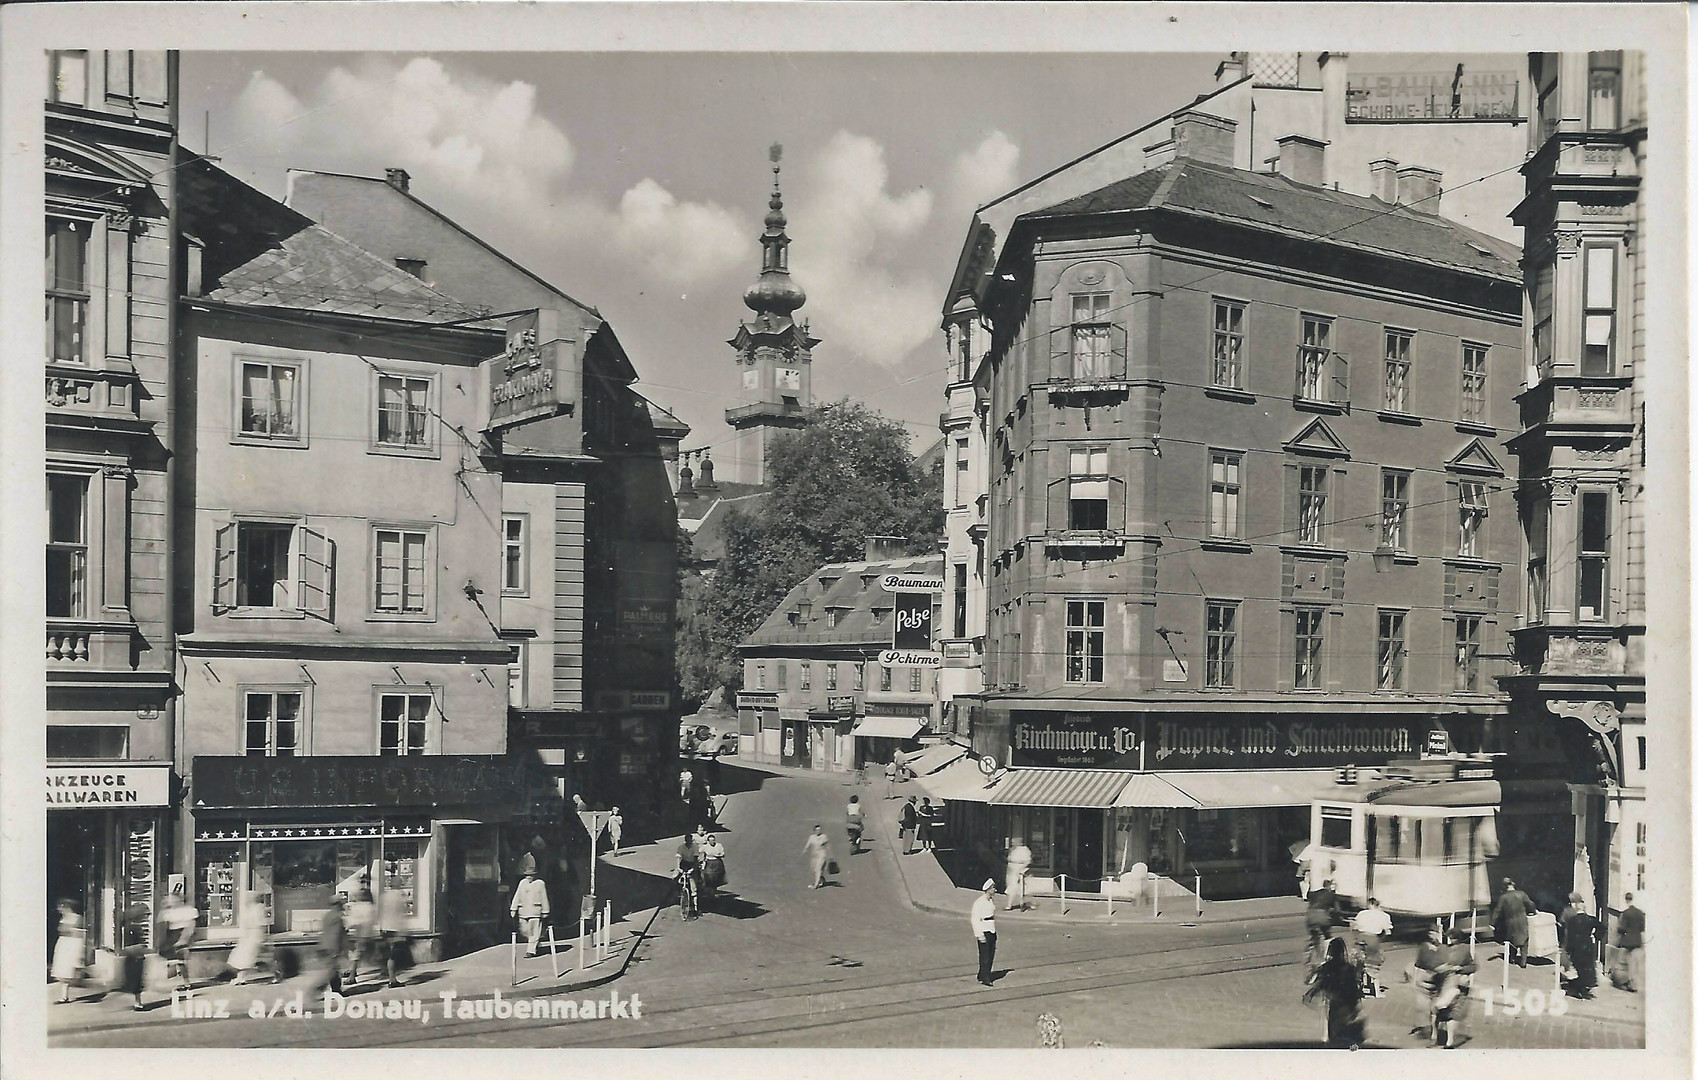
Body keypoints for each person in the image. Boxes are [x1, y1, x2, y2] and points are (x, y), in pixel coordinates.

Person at [1304, 934, 1367, 1048]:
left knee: (1333, 1031)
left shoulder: (1326, 967)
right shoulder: (1350, 968)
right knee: (1344, 1031)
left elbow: (1318, 983)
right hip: (1347, 1004)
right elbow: (1354, 988)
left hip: (1333, 1003)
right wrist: (1357, 1005)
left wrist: (1312, 993)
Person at [1432, 928, 1478, 1048]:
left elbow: (1473, 966)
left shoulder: (1464, 950)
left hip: (1456, 986)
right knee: (1437, 1012)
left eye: (1453, 938)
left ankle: (1449, 1041)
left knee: (1450, 1014)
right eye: (1450, 937)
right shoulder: (1443, 949)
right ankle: (1435, 1036)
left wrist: (1460, 969)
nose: (1450, 940)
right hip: (1443, 985)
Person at [226, 890, 272, 986]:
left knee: (248, 958)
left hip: (255, 935)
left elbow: (261, 924)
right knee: (244, 958)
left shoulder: (259, 908)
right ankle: (241, 977)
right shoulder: (248, 909)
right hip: (248, 936)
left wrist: (262, 937)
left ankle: (275, 973)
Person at [1559, 893, 1600, 999]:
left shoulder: (1568, 912)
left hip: (1572, 940)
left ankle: (1575, 983)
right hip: (1586, 943)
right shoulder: (1587, 916)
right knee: (1586, 964)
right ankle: (1585, 985)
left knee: (1573, 962)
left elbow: (1562, 923)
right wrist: (1596, 936)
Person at [509, 854, 551, 958]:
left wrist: (546, 910)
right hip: (523, 912)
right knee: (524, 930)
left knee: (534, 930)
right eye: (527, 875)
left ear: (535, 875)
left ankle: (531, 950)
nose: (529, 877)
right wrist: (513, 908)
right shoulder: (522, 883)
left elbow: (544, 897)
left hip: (535, 911)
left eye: (531, 875)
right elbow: (517, 895)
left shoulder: (540, 884)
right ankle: (534, 943)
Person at [1492, 877, 1536, 967]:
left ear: (1504, 886)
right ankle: (1523, 962)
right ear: (1513, 884)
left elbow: (1497, 910)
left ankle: (1512, 958)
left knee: (1511, 939)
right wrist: (1533, 911)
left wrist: (1492, 923)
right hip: (1522, 920)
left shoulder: (1503, 897)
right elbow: (1530, 904)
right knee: (1524, 941)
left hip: (1510, 921)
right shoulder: (1522, 894)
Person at [1351, 896, 1393, 990]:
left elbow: (1354, 928)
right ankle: (1374, 984)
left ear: (1370, 904)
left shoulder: (1361, 913)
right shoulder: (1385, 916)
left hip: (1361, 937)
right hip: (1373, 939)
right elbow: (1388, 932)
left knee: (1357, 960)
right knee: (1373, 963)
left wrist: (1356, 937)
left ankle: (1356, 982)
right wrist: (1379, 939)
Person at [51, 899, 85, 1003]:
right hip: (63, 945)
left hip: (73, 944)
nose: (59, 909)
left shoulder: (78, 918)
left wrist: (80, 951)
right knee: (62, 972)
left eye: (61, 907)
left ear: (68, 907)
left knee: (69, 970)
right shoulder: (64, 918)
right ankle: (64, 996)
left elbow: (81, 935)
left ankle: (68, 993)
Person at [346, 879, 379, 982]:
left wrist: (348, 927)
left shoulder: (358, 907)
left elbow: (353, 921)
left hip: (360, 933)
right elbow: (374, 920)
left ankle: (351, 976)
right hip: (369, 933)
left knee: (356, 955)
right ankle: (352, 971)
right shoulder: (371, 907)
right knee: (362, 954)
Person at [119, 901, 151, 1011]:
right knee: (136, 981)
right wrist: (141, 947)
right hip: (135, 958)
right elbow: (129, 946)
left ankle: (138, 1001)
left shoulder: (132, 927)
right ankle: (137, 1003)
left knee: (137, 981)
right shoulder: (132, 928)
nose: (146, 918)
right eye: (145, 915)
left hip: (137, 957)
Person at [314, 894, 347, 996]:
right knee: (332, 971)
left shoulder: (327, 916)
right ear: (337, 905)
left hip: (324, 945)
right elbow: (336, 934)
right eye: (340, 904)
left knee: (332, 970)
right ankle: (318, 990)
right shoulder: (337, 917)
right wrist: (337, 949)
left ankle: (336, 990)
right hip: (332, 947)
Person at [379, 885, 411, 988]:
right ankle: (392, 980)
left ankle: (389, 976)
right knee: (394, 956)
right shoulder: (400, 896)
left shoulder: (384, 896)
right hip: (395, 928)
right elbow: (404, 910)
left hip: (386, 928)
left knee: (390, 955)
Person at [1305, 877, 1342, 965]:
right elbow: (1338, 910)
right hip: (1322, 917)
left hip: (1310, 915)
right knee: (1327, 936)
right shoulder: (1332, 895)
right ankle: (1325, 958)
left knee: (1314, 937)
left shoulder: (1315, 893)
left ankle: (1308, 957)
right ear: (1330, 886)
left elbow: (1308, 895)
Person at [1613, 892, 1646, 992]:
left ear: (1626, 900)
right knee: (1636, 964)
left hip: (1628, 942)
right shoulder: (1640, 913)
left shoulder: (1626, 913)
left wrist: (1620, 931)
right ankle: (1635, 983)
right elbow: (1642, 928)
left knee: (1628, 963)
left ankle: (1631, 983)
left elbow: (1622, 928)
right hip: (1638, 941)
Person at [971, 879, 999, 985]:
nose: (995, 890)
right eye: (993, 888)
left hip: (991, 929)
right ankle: (986, 978)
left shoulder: (990, 900)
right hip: (984, 930)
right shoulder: (979, 902)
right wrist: (979, 935)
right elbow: (975, 919)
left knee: (990, 954)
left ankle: (982, 974)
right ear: (988, 889)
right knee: (985, 955)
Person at [675, 832, 702, 918]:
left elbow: (695, 859)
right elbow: (678, 858)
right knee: (675, 878)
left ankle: (696, 908)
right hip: (684, 864)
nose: (688, 842)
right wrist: (678, 867)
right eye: (687, 840)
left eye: (690, 840)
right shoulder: (681, 847)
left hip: (692, 865)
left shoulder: (695, 847)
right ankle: (679, 894)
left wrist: (692, 869)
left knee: (694, 887)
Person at [699, 832, 726, 906]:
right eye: (711, 840)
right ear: (708, 841)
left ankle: (714, 891)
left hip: (717, 863)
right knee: (708, 877)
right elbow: (699, 851)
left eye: (713, 840)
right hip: (709, 863)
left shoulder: (719, 845)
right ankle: (709, 892)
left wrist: (718, 855)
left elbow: (723, 854)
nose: (712, 842)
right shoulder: (705, 846)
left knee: (716, 878)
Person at [1005, 840, 1033, 911]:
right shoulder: (1012, 849)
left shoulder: (1025, 850)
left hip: (1020, 871)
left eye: (1014, 842)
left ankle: (1021, 904)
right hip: (1011, 871)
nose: (1013, 843)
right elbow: (1009, 859)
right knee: (1011, 888)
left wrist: (1021, 870)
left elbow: (1027, 861)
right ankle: (1010, 904)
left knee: (1021, 889)